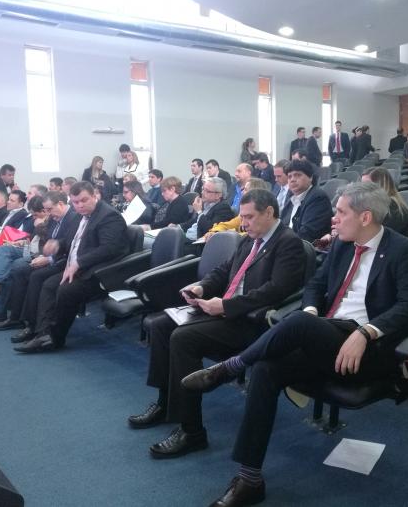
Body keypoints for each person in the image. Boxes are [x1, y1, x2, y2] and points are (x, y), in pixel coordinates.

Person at [182, 182, 408, 505]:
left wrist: (366, 332)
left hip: (365, 349)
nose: (334, 218)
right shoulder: (342, 245)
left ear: (365, 217)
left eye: (341, 212)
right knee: (266, 368)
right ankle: (250, 479)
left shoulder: (402, 250)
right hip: (324, 335)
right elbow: (315, 285)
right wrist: (311, 310)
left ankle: (232, 366)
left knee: (296, 323)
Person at [127, 189, 306, 461]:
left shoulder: (288, 243)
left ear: (269, 212)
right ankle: (166, 403)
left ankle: (192, 431)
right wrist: (202, 286)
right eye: (242, 217)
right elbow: (224, 270)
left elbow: (276, 291)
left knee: (183, 338)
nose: (243, 223)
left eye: (249, 217)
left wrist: (226, 306)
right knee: (162, 325)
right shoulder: (251, 238)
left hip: (252, 322)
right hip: (226, 312)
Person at [14, 181, 129, 353]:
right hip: (79, 267)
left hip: (101, 272)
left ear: (95, 196)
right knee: (48, 284)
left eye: (84, 200)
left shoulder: (109, 216)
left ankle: (55, 338)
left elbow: (109, 249)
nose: (79, 205)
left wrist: (78, 263)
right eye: (75, 202)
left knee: (66, 290)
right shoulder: (81, 216)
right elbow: (70, 241)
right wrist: (57, 245)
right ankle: (42, 333)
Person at [0, 191, 81, 336]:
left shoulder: (74, 219)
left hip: (65, 261)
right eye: (46, 210)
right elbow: (48, 242)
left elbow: (70, 248)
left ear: (60, 204)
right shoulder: (54, 217)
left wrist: (49, 259)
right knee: (20, 271)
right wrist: (43, 255)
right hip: (52, 257)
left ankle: (33, 324)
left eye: (49, 209)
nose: (48, 213)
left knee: (35, 275)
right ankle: (16, 318)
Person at [0, 195, 49, 323]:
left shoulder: (50, 221)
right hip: (28, 249)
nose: (33, 218)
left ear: (44, 211)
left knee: (7, 262)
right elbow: (33, 240)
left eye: (35, 215)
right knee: (5, 259)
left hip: (40, 256)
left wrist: (40, 227)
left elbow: (48, 244)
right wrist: (22, 242)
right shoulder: (40, 219)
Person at [280, 159, 332, 242]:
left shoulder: (318, 198)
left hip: (304, 247)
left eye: (297, 175)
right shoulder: (291, 200)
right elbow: (280, 226)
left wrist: (281, 244)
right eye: (289, 176)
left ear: (310, 177)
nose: (292, 179)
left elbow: (307, 234)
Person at [204, 178, 270, 240]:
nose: (242, 192)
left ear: (254, 193)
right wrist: (214, 231)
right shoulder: (242, 215)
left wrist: (231, 233)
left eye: (245, 189)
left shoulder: (260, 215)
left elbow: (251, 234)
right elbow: (226, 225)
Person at [362, 167, 408, 240]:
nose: (361, 189)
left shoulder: (393, 211)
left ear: (380, 186)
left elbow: (382, 240)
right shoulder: (372, 206)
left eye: (366, 185)